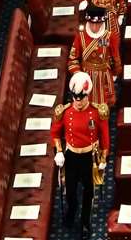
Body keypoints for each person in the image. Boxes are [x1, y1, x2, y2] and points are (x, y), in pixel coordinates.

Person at [51, 72, 109, 234]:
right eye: (75, 98)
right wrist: (59, 151)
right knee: (70, 191)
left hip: (89, 157)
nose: (78, 102)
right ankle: (71, 212)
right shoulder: (65, 112)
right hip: (71, 157)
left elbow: (104, 138)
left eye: (81, 98)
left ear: (87, 96)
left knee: (89, 192)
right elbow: (55, 133)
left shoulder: (97, 112)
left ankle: (85, 220)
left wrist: (104, 157)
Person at [68, 4, 121, 109]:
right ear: (88, 21)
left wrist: (115, 73)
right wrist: (79, 76)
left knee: (104, 107)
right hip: (85, 76)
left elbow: (116, 58)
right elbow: (72, 60)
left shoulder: (110, 36)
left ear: (102, 22)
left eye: (98, 24)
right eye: (92, 24)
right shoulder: (80, 37)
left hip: (104, 77)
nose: (95, 27)